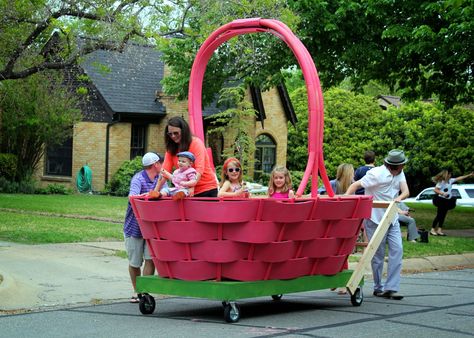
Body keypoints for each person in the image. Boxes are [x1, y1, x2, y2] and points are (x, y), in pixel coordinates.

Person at [346, 149, 410, 300]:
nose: (403, 168)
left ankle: (391, 288)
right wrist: (345, 204)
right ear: (394, 166)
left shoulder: (400, 173)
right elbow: (355, 186)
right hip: (375, 218)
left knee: (397, 250)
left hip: (391, 217)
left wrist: (398, 199)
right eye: (402, 165)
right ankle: (378, 287)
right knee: (378, 254)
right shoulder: (376, 174)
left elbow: (405, 191)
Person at [123, 152, 167, 303]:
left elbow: (166, 193)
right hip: (134, 227)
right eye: (161, 163)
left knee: (150, 259)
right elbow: (132, 197)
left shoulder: (161, 179)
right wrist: (150, 194)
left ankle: (144, 292)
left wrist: (161, 193)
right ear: (156, 164)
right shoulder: (138, 179)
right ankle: (137, 290)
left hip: (152, 228)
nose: (163, 166)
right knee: (135, 263)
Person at [155, 116, 218, 197]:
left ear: (184, 131)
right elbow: (164, 172)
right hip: (184, 191)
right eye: (170, 134)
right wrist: (155, 191)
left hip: (206, 189)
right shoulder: (171, 149)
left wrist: (191, 185)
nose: (173, 136)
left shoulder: (196, 143)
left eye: (176, 133)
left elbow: (199, 169)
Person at [431, 170, 474, 236]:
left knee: (443, 216)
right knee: (439, 215)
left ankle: (439, 230)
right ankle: (432, 230)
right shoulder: (441, 182)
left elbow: (459, 178)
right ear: (446, 175)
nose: (451, 175)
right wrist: (442, 193)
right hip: (441, 200)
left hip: (447, 201)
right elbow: (435, 190)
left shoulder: (450, 180)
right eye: (450, 174)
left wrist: (469, 175)